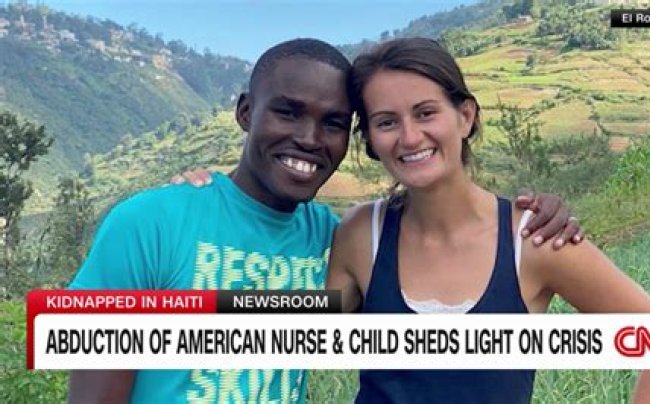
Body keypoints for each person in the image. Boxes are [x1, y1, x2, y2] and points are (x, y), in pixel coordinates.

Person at [68, 38, 581, 403]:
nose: (310, 139)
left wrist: (538, 214)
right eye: (287, 112)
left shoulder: (331, 237)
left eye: (333, 123)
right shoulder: (149, 222)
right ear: (246, 113)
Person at [325, 38, 650, 403]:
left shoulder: (533, 238)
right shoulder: (362, 233)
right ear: (370, 139)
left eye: (426, 113)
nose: (410, 137)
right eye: (387, 122)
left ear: (465, 117)